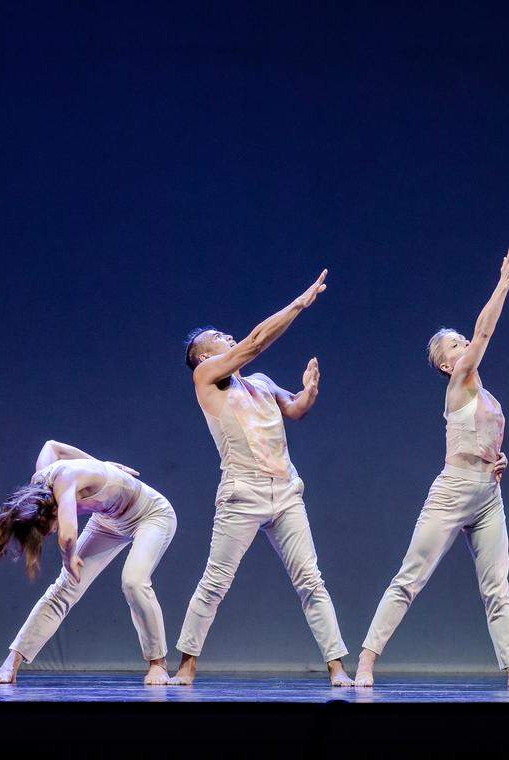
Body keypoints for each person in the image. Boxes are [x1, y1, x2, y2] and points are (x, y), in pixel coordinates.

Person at [356, 249, 509, 688]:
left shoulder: (485, 394)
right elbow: (485, 330)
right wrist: (504, 286)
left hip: (488, 495)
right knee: (410, 576)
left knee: (497, 587)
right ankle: (366, 660)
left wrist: (499, 458)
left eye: (461, 340)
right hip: (453, 491)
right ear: (446, 364)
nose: (465, 346)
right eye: (456, 345)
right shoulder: (459, 383)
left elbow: (485, 439)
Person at [171, 270, 353, 687]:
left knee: (310, 578)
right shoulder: (205, 380)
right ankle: (186, 665)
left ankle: (338, 667)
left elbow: (295, 409)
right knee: (216, 580)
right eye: (217, 336)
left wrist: (309, 391)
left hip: (285, 489)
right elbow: (255, 342)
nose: (228, 336)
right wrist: (299, 304)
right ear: (204, 357)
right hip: (242, 492)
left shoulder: (260, 382)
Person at [0, 441, 176, 685]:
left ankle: (158, 664)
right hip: (109, 520)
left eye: (47, 530)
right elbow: (51, 447)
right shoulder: (39, 484)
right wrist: (99, 465)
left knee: (133, 581)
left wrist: (69, 558)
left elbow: (67, 534)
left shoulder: (64, 479)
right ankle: (10, 664)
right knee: (63, 589)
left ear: (50, 514)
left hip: (152, 514)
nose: (50, 533)